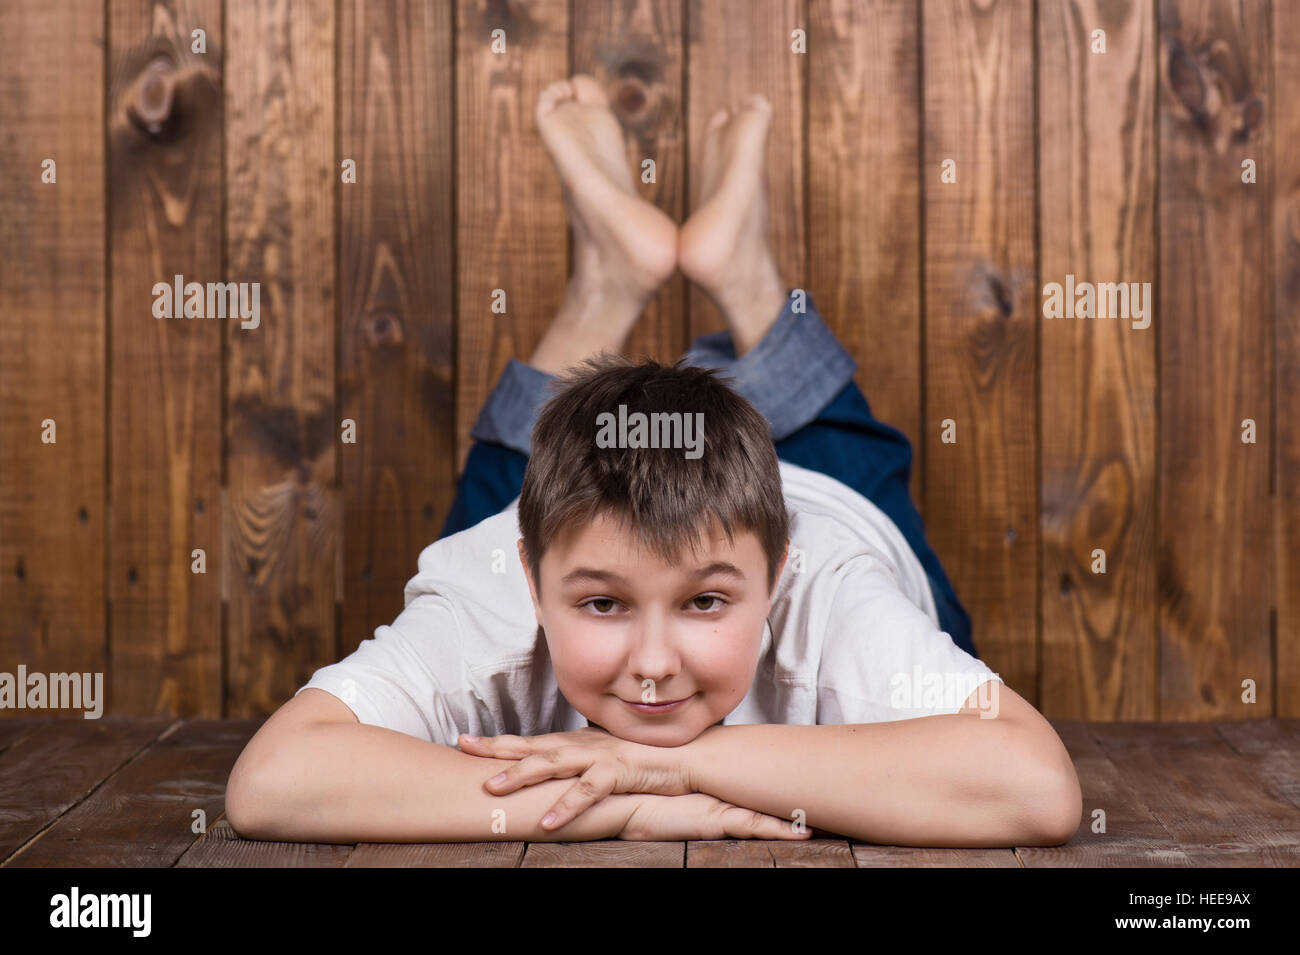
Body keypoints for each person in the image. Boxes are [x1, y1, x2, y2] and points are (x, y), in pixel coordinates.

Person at [225, 76, 1081, 847]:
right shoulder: (483, 586)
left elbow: (1037, 788)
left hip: (830, 500)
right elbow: (271, 783)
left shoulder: (835, 595)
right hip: (586, 527)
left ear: (778, 573)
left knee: (843, 458)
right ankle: (693, 278)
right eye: (602, 602)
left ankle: (676, 279)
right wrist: (628, 802)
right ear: (527, 580)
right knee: (521, 483)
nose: (654, 663)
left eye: (706, 600)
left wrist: (679, 765)